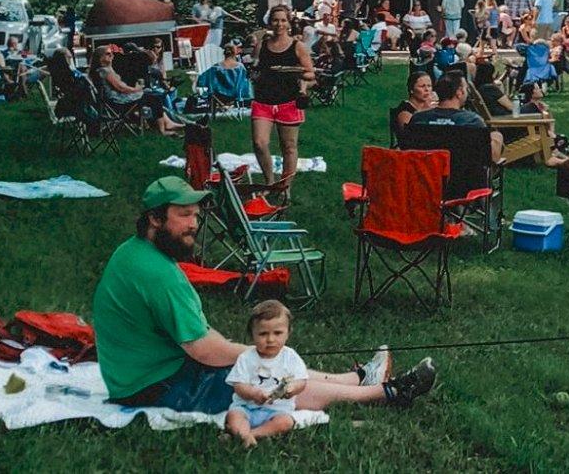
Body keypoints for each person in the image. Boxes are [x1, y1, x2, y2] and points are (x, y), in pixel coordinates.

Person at [97, 176, 433, 417]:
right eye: (184, 215)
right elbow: (204, 350)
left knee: (266, 362)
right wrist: (257, 354)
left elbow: (199, 341)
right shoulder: (158, 274)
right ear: (155, 218)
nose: (194, 224)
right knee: (265, 378)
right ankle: (387, 393)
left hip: (150, 371)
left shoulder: (135, 252)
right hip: (155, 385)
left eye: (196, 215)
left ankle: (357, 378)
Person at [224, 300, 307, 448]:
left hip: (276, 411)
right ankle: (243, 433)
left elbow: (302, 381)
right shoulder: (246, 357)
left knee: (286, 422)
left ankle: (252, 435)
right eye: (263, 334)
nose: (270, 339)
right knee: (233, 416)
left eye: (278, 333)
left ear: (288, 332)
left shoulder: (291, 357)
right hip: (247, 408)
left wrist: (292, 388)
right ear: (252, 335)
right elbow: (238, 385)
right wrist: (253, 393)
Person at [250, 5, 313, 193]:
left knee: (289, 147)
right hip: (263, 100)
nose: (279, 24)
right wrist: (253, 73)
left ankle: (285, 187)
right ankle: (269, 182)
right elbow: (254, 68)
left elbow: (310, 73)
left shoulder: (297, 46)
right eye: (276, 20)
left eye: (283, 20)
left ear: (289, 22)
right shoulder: (262, 44)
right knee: (260, 143)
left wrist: (297, 74)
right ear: (270, 22)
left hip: (289, 101)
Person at [409, 74, 504, 163]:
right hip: (463, 177)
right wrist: (497, 137)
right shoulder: (472, 121)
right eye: (466, 89)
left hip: (428, 176)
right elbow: (492, 156)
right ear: (459, 92)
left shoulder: (418, 119)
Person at [95, 44, 186, 134]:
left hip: (116, 100)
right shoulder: (105, 71)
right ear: (100, 57)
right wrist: (136, 89)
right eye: (108, 54)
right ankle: (163, 129)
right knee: (154, 99)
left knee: (152, 97)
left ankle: (168, 123)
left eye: (111, 53)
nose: (112, 55)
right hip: (118, 101)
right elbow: (120, 87)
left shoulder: (103, 70)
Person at [195, 43, 253, 113]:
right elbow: (244, 84)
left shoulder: (215, 67)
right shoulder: (240, 68)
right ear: (235, 53)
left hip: (217, 96)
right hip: (234, 95)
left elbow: (201, 81)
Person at [391, 72, 437, 143]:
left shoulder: (432, 106)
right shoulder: (404, 110)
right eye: (422, 86)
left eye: (429, 86)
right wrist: (424, 111)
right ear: (411, 89)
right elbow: (409, 134)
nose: (427, 89)